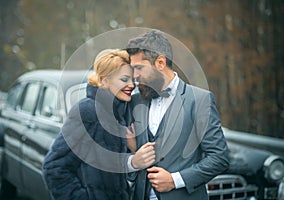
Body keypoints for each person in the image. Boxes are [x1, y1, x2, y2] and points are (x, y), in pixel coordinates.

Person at [126, 29, 230, 199]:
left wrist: (175, 180)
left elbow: (219, 158)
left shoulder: (200, 100)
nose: (135, 76)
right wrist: (133, 158)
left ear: (160, 63)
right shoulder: (135, 101)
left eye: (139, 68)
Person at [42, 49, 155, 200]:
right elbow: (54, 167)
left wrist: (133, 151)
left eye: (132, 80)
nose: (131, 85)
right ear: (104, 80)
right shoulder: (88, 112)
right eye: (124, 79)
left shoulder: (118, 113)